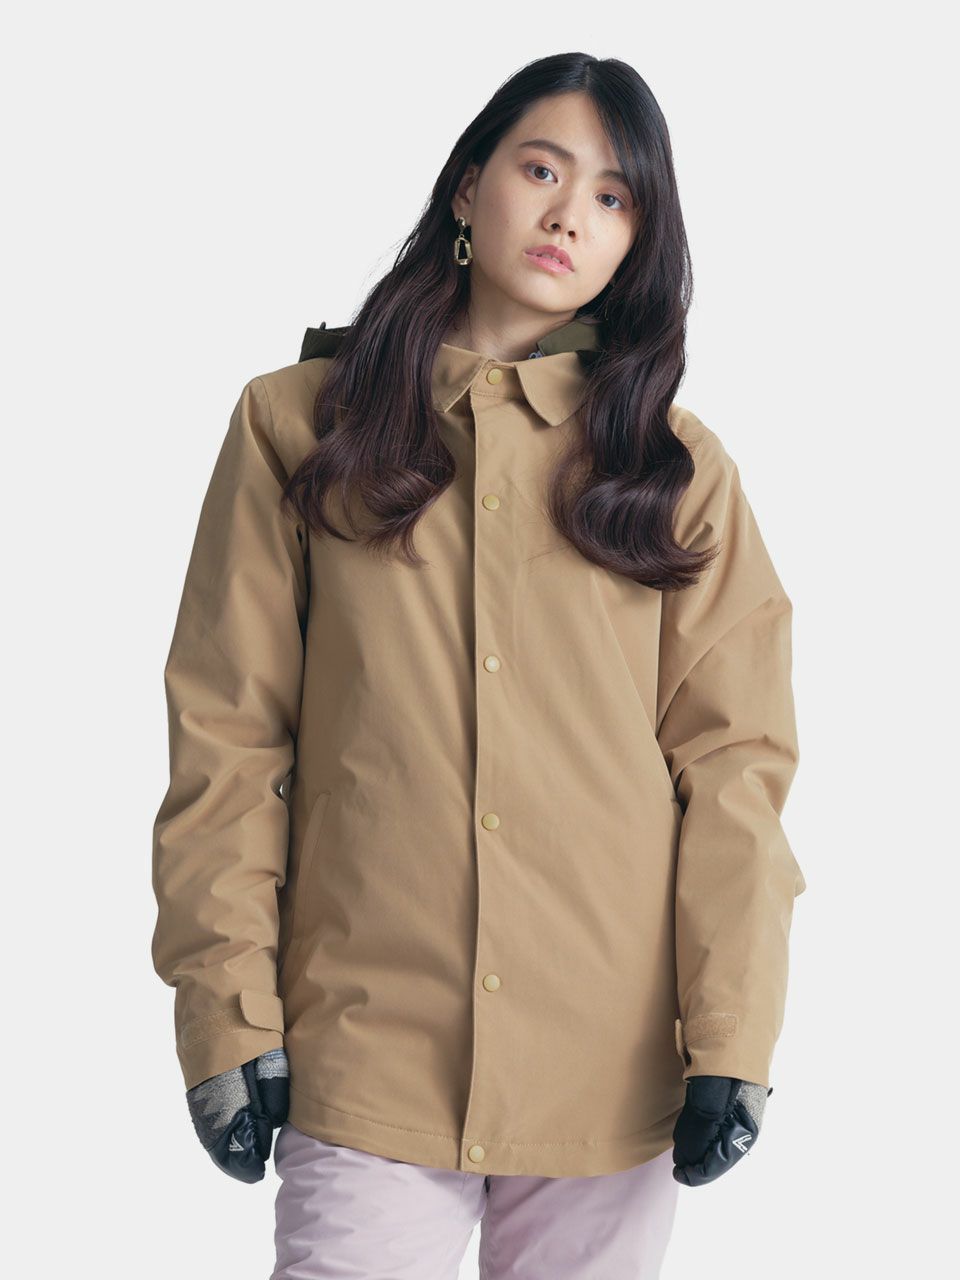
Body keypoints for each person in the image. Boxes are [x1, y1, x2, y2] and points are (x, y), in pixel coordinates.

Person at [151, 51, 806, 1279]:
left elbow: (734, 769)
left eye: (613, 196)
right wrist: (227, 1010)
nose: (570, 215)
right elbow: (230, 737)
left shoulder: (675, 471)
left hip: (608, 1068)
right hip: (367, 1048)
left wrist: (733, 1033)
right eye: (541, 171)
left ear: (638, 240)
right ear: (468, 187)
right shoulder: (297, 426)